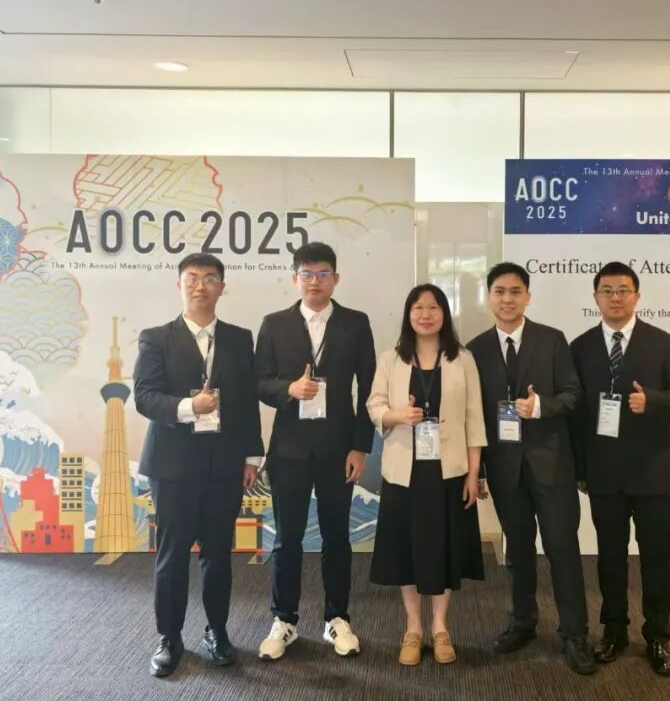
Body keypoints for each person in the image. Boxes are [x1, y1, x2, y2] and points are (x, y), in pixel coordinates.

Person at [134, 253, 264, 678]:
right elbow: (144, 397)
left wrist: (251, 455)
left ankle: (217, 632)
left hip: (224, 465)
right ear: (179, 285)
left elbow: (246, 401)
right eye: (192, 278)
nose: (200, 286)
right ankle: (169, 637)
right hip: (172, 466)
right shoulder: (156, 338)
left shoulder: (239, 338)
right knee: (172, 556)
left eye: (210, 279)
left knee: (218, 554)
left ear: (222, 287)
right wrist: (191, 407)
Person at [466, 262, 597, 675]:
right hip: (505, 469)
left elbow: (574, 395)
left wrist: (542, 406)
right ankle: (522, 622)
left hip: (552, 466)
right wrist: (478, 470)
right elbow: (474, 414)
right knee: (518, 551)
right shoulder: (475, 349)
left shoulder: (552, 340)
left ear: (528, 296)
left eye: (515, 291)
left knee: (562, 551)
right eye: (500, 292)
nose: (507, 299)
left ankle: (575, 634)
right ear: (489, 297)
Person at [569, 261, 670, 677]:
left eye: (623, 290)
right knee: (610, 558)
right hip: (604, 474)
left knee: (656, 558)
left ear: (637, 296)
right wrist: (580, 469)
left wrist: (652, 401)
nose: (615, 298)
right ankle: (614, 630)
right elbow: (576, 415)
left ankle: (657, 634)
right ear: (595, 298)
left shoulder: (662, 342)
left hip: (652, 473)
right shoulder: (581, 346)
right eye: (607, 291)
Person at [254, 242, 376, 660]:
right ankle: (284, 620)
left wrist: (361, 446)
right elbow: (259, 383)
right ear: (295, 278)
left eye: (323, 274)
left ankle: (337, 619)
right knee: (286, 538)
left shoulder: (356, 323)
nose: (315, 281)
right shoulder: (274, 324)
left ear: (336, 279)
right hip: (288, 450)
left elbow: (368, 388)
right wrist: (289, 388)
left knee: (337, 537)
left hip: (338, 450)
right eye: (307, 274)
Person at [367, 284, 488, 666]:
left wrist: (474, 473)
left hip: (448, 469)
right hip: (404, 469)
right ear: (408, 314)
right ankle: (413, 627)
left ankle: (440, 627)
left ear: (444, 314)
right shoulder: (391, 359)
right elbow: (374, 405)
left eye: (433, 307)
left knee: (443, 547)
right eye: (418, 307)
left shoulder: (463, 359)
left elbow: (475, 419)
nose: (425, 314)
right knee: (406, 548)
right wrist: (397, 415)